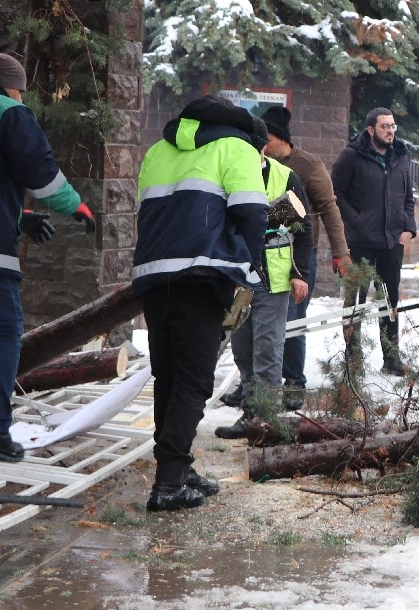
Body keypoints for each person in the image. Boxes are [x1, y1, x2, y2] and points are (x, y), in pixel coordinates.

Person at [0, 53, 95, 463]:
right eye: (20, 90)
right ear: (10, 86)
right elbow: (41, 174)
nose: (21, 97)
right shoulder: (8, 112)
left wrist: (21, 217)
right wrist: (74, 205)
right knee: (3, 331)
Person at [133, 95, 267, 511]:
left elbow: (148, 210)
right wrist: (252, 268)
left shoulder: (158, 149)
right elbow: (252, 213)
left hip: (154, 275)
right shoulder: (237, 148)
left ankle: (178, 467)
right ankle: (169, 484)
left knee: (169, 378)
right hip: (202, 275)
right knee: (193, 382)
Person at [255, 105, 352, 406]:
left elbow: (330, 210)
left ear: (280, 139)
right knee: (258, 325)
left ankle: (294, 381)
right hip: (261, 257)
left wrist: (341, 253)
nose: (262, 146)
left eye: (267, 140)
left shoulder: (309, 166)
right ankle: (254, 384)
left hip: (297, 257)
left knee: (293, 320)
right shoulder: (255, 164)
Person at [215, 145, 314, 439]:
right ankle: (251, 411)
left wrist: (299, 274)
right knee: (242, 349)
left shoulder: (284, 176)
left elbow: (303, 228)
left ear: (263, 148)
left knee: (267, 351)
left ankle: (265, 420)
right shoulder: (228, 172)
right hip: (239, 278)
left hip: (274, 279)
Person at [331, 108, 417, 375]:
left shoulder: (401, 156)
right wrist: (356, 221)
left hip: (391, 241)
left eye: (393, 126)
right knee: (355, 301)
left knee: (390, 301)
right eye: (384, 127)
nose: (390, 131)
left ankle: (391, 358)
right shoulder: (351, 156)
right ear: (370, 130)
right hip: (361, 242)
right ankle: (353, 359)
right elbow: (336, 194)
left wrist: (408, 227)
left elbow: (408, 197)